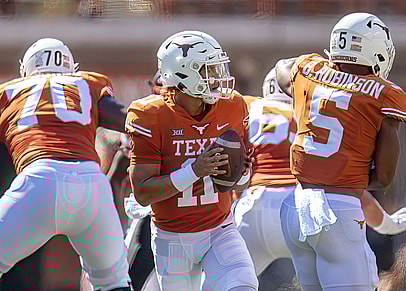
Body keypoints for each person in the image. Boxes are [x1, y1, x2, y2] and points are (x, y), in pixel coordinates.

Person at [275, 12, 406, 291]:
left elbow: (283, 69)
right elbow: (385, 176)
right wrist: (347, 171)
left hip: (295, 207)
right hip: (339, 212)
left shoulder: (309, 68)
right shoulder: (385, 94)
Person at [125, 30, 258, 290]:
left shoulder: (233, 106)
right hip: (172, 238)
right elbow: (142, 192)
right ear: (184, 74)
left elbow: (239, 185)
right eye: (209, 70)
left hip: (220, 229)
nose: (218, 78)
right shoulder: (149, 114)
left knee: (243, 284)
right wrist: (195, 170)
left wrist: (242, 173)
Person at [0, 38, 132, 291]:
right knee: (114, 283)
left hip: (39, 181)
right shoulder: (87, 83)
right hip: (92, 185)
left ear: (25, 70)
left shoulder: (9, 92)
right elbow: (127, 119)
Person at [233, 67, 297, 290]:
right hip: (296, 208)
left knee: (227, 281)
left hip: (252, 203)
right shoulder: (308, 112)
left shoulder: (248, 106)